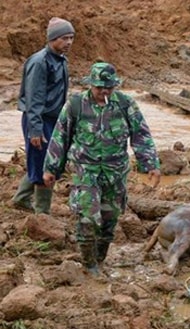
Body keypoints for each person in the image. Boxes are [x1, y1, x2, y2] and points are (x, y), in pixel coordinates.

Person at [42, 62, 161, 275]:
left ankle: (100, 259)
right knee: (87, 219)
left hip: (115, 174)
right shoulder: (76, 105)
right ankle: (89, 265)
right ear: (91, 85)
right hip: (85, 172)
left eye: (108, 87)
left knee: (109, 220)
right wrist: (51, 168)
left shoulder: (125, 104)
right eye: (99, 87)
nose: (103, 92)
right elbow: (60, 137)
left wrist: (150, 164)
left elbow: (141, 136)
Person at [11, 17, 75, 214]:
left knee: (45, 160)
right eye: (64, 38)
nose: (69, 42)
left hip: (54, 119)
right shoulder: (40, 62)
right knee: (43, 163)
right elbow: (34, 99)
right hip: (39, 119)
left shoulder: (61, 59)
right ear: (52, 39)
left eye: (71, 38)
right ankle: (42, 214)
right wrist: (36, 129)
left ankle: (21, 198)